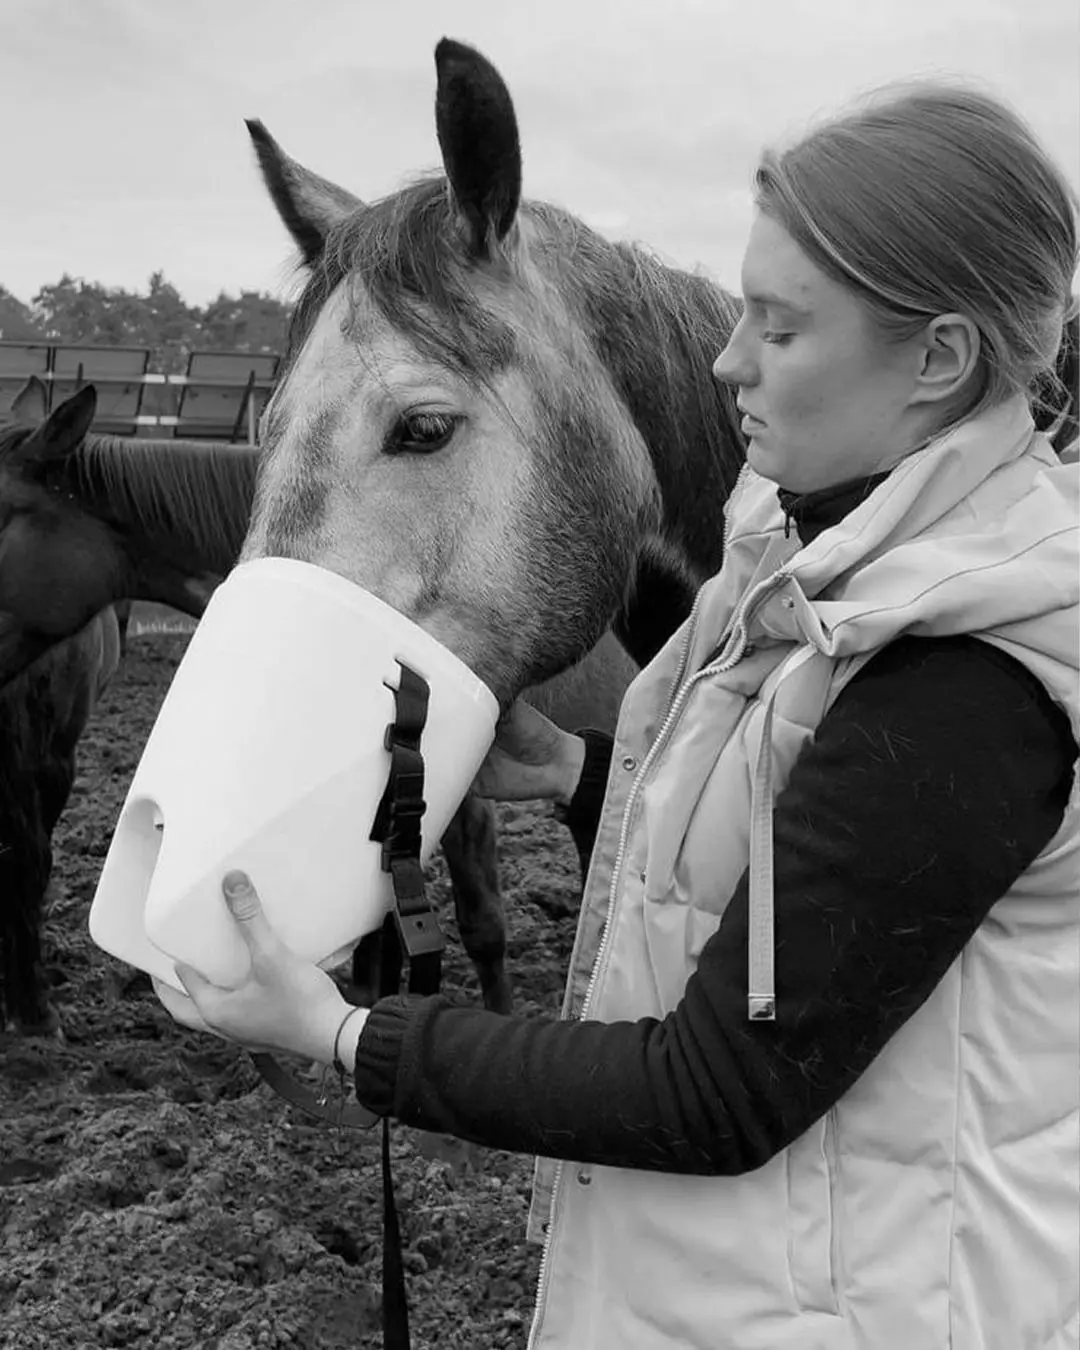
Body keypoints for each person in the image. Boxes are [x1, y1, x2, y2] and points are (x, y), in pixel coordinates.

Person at [161, 81, 1079, 1349]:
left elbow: (717, 1088)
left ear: (939, 358)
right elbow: (804, 864)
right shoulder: (805, 571)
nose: (723, 360)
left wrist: (345, 1033)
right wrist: (577, 774)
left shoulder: (962, 671)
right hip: (768, 1284)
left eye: (781, 327)